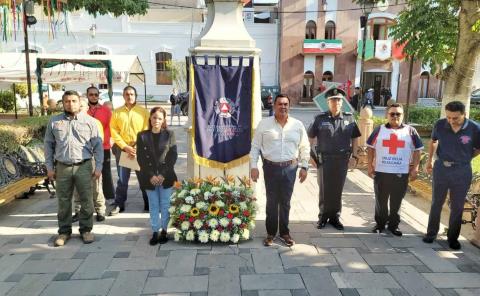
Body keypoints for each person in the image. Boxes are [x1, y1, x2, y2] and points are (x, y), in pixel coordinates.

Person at [44, 90, 103, 247]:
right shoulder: (54, 122)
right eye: (67, 101)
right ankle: (64, 231)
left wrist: (99, 167)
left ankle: (86, 230)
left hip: (83, 166)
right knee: (63, 201)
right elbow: (48, 146)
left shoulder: (90, 122)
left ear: (79, 102)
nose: (70, 104)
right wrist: (49, 167)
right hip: (62, 167)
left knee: (86, 200)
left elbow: (98, 147)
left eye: (74, 101)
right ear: (63, 103)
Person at [250, 94, 310, 247]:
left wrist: (304, 166)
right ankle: (270, 233)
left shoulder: (298, 125)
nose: (283, 107)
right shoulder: (264, 124)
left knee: (285, 202)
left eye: (285, 104)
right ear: (274, 106)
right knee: (271, 202)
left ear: (289, 106)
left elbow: (305, 147)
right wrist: (253, 166)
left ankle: (284, 233)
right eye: (280, 104)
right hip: (270, 168)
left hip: (290, 168)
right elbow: (255, 146)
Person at [423, 101, 480, 250]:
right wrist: (429, 161)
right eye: (448, 117)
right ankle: (431, 233)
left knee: (457, 206)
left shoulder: (475, 129)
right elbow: (433, 141)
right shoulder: (440, 124)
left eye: (455, 118)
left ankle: (453, 238)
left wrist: (465, 158)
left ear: (464, 114)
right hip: (441, 168)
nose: (451, 121)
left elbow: (478, 149)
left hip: (462, 171)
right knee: (436, 202)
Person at [308, 88, 361, 230]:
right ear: (328, 102)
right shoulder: (320, 119)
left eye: (338, 100)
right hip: (324, 160)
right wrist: (309, 155)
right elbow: (310, 138)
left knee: (338, 190)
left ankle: (335, 217)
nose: (336, 102)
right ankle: (323, 216)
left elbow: (355, 138)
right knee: (324, 189)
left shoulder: (349, 118)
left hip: (342, 160)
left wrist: (354, 156)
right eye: (333, 100)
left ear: (342, 102)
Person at [366, 103, 423, 236]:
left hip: (401, 173)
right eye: (392, 114)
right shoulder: (379, 130)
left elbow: (418, 150)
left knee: (397, 201)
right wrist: (369, 165)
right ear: (387, 115)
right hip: (382, 172)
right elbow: (370, 147)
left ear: (402, 115)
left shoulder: (411, 131)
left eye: (398, 114)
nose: (395, 116)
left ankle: (393, 226)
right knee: (381, 200)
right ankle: (380, 224)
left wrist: (415, 168)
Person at [137, 107, 178, 245]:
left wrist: (162, 174)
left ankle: (165, 231)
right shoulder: (142, 135)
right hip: (149, 177)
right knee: (153, 204)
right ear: (150, 118)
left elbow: (173, 156)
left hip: (166, 176)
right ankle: (155, 231)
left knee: (165, 204)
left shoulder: (170, 134)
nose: (156, 120)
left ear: (164, 120)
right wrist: (151, 176)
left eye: (160, 118)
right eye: (154, 117)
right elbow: (141, 158)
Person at [109, 86, 150, 216]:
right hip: (124, 149)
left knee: (144, 178)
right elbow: (113, 131)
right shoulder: (117, 112)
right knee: (122, 179)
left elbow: (146, 128)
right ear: (123, 96)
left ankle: (148, 203)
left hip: (140, 149)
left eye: (132, 94)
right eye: (127, 94)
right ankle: (119, 204)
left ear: (135, 95)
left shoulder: (143, 111)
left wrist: (138, 146)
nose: (129, 96)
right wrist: (124, 146)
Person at [72, 97, 107, 223]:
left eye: (82, 106)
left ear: (87, 108)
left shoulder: (94, 122)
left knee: (96, 187)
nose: (79, 108)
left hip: (90, 159)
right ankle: (78, 210)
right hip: (75, 161)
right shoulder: (71, 122)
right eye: (78, 106)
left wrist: (98, 165)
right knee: (77, 188)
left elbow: (98, 144)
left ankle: (100, 210)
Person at [85, 86, 115, 201]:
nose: (93, 97)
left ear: (99, 96)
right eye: (91, 94)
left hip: (103, 146)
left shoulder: (105, 110)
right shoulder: (83, 111)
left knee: (105, 172)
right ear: (87, 95)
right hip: (86, 148)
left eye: (96, 95)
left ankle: (110, 197)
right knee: (88, 173)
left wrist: (107, 140)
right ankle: (91, 198)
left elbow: (110, 127)